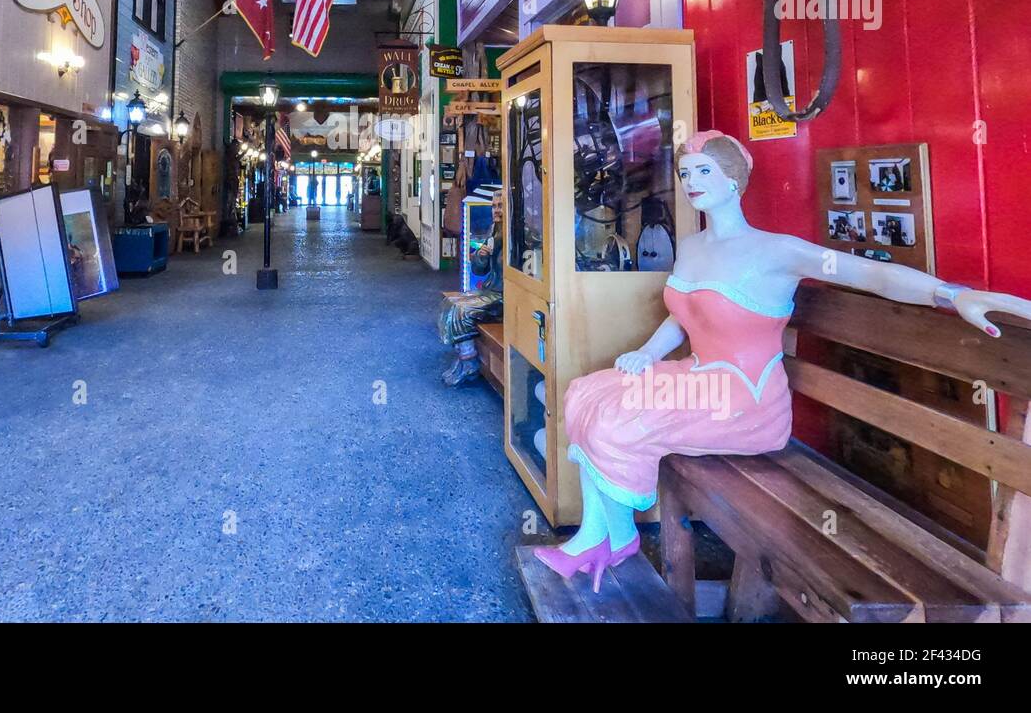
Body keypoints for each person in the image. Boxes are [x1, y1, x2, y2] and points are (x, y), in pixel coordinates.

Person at [535, 129, 1031, 592]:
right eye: (686, 173)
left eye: (704, 171)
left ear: (734, 179)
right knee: (587, 391)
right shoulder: (691, 248)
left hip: (746, 398)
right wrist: (647, 353)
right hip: (699, 378)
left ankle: (605, 541)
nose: (691, 183)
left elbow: (871, 276)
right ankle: (612, 536)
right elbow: (684, 319)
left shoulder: (777, 251)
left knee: (620, 419)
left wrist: (952, 293)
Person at [438, 191, 504, 386]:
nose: (496, 211)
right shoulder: (494, 231)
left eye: (501, 206)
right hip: (491, 289)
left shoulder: (516, 236)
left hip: (504, 295)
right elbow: (480, 270)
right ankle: (464, 356)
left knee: (460, 309)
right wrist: (481, 256)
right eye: (494, 206)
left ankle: (469, 363)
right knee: (450, 302)